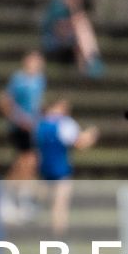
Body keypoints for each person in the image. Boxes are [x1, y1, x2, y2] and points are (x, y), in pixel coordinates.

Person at [33, 99, 97, 234]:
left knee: (43, 203)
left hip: (43, 169)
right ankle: (58, 235)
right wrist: (91, 136)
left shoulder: (40, 124)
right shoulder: (64, 125)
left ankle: (42, 233)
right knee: (60, 206)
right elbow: (79, 143)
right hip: (60, 170)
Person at [0, 51, 46, 223]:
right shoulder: (19, 79)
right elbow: (4, 102)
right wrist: (19, 119)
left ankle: (21, 200)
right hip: (19, 127)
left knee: (30, 162)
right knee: (26, 160)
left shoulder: (40, 80)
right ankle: (8, 198)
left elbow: (36, 104)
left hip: (32, 127)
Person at [41, 0, 104, 76]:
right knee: (81, 26)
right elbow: (60, 31)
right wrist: (74, 20)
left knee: (82, 24)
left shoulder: (71, 7)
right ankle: (90, 62)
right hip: (53, 43)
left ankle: (90, 62)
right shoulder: (58, 5)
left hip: (69, 44)